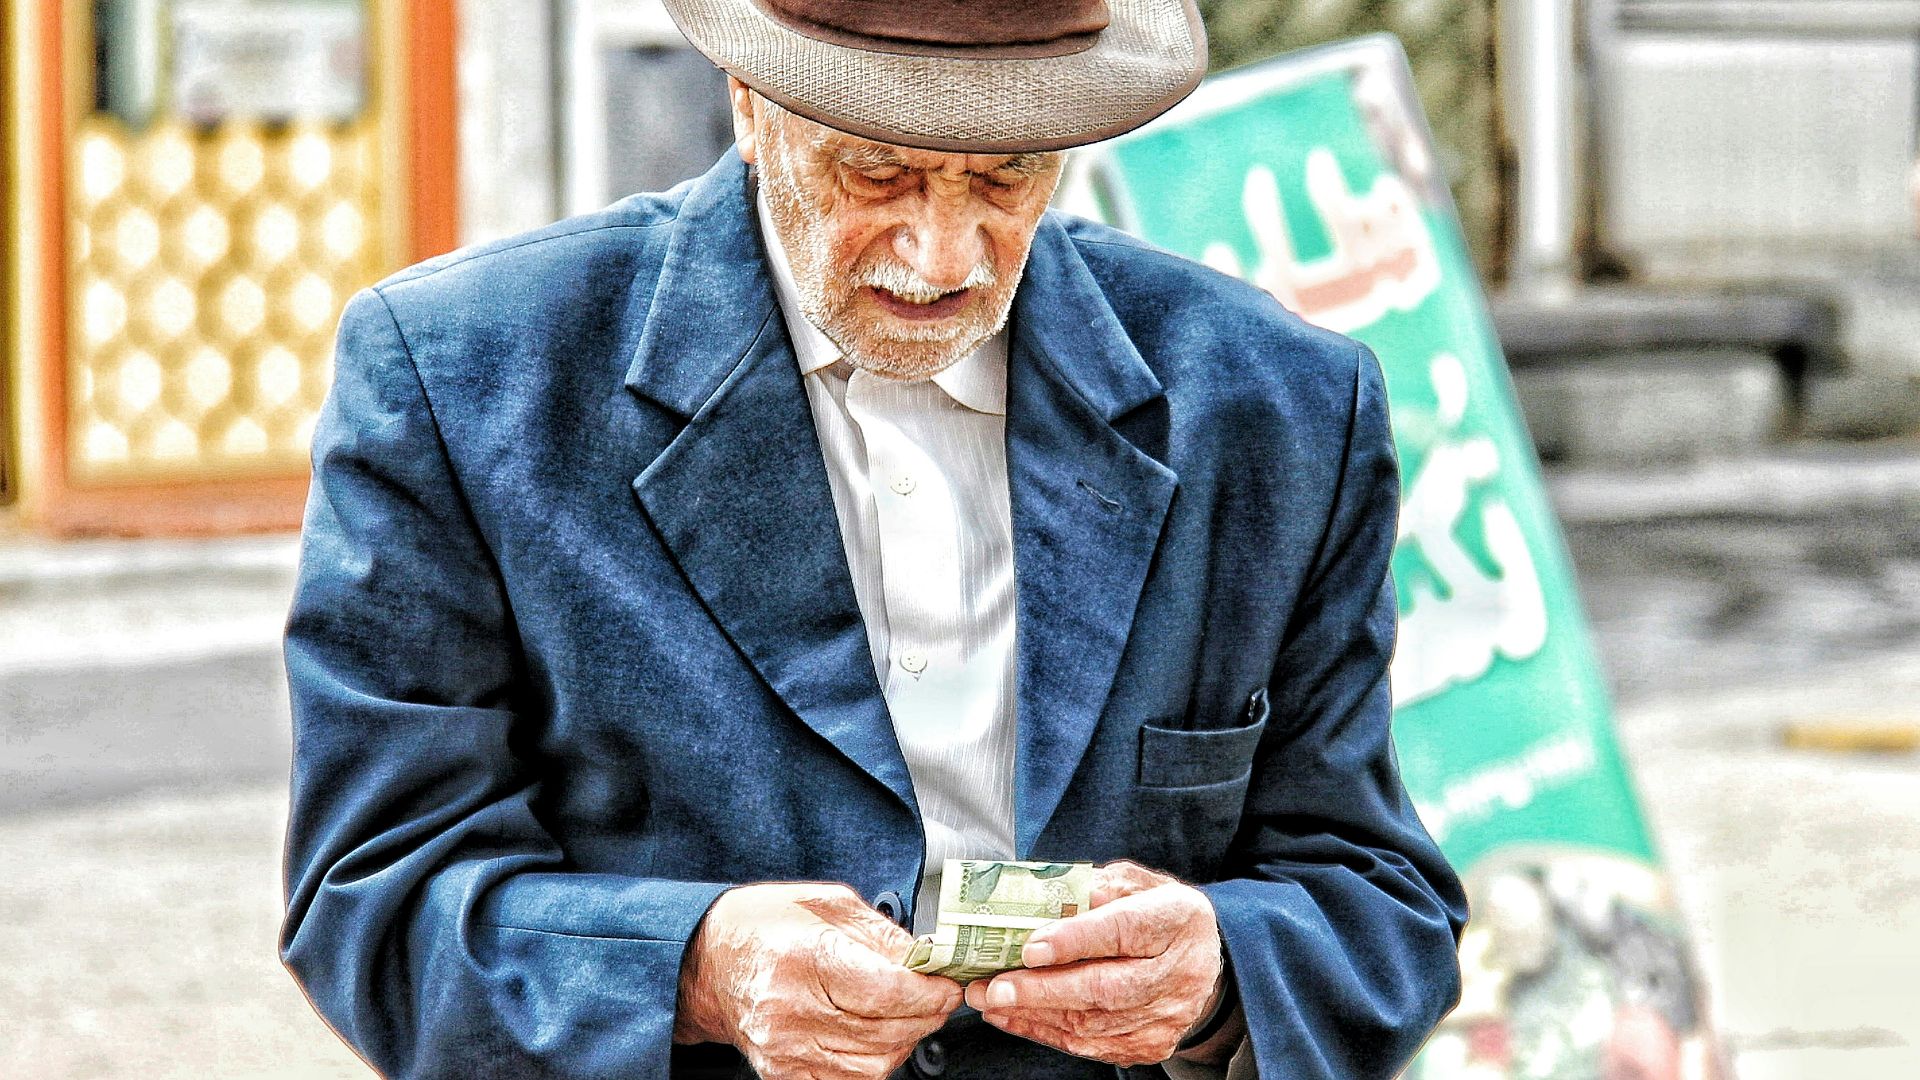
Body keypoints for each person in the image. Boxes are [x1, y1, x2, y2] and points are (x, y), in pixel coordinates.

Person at [279, 1, 1467, 1077]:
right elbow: (374, 900)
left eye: (1006, 178)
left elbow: (1377, 899)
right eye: (878, 171)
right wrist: (695, 970)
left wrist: (1217, 974)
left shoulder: (1280, 409)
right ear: (751, 105)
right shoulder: (459, 382)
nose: (944, 257)